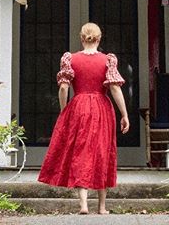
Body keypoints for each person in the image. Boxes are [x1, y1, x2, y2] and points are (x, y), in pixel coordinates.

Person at [38, 22, 130, 215]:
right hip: (101, 108)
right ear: (99, 38)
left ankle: (83, 204)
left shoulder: (70, 59)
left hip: (79, 106)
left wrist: (64, 110)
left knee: (81, 151)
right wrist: (124, 114)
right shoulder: (108, 60)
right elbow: (114, 88)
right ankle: (102, 207)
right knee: (102, 152)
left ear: (81, 38)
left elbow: (63, 87)